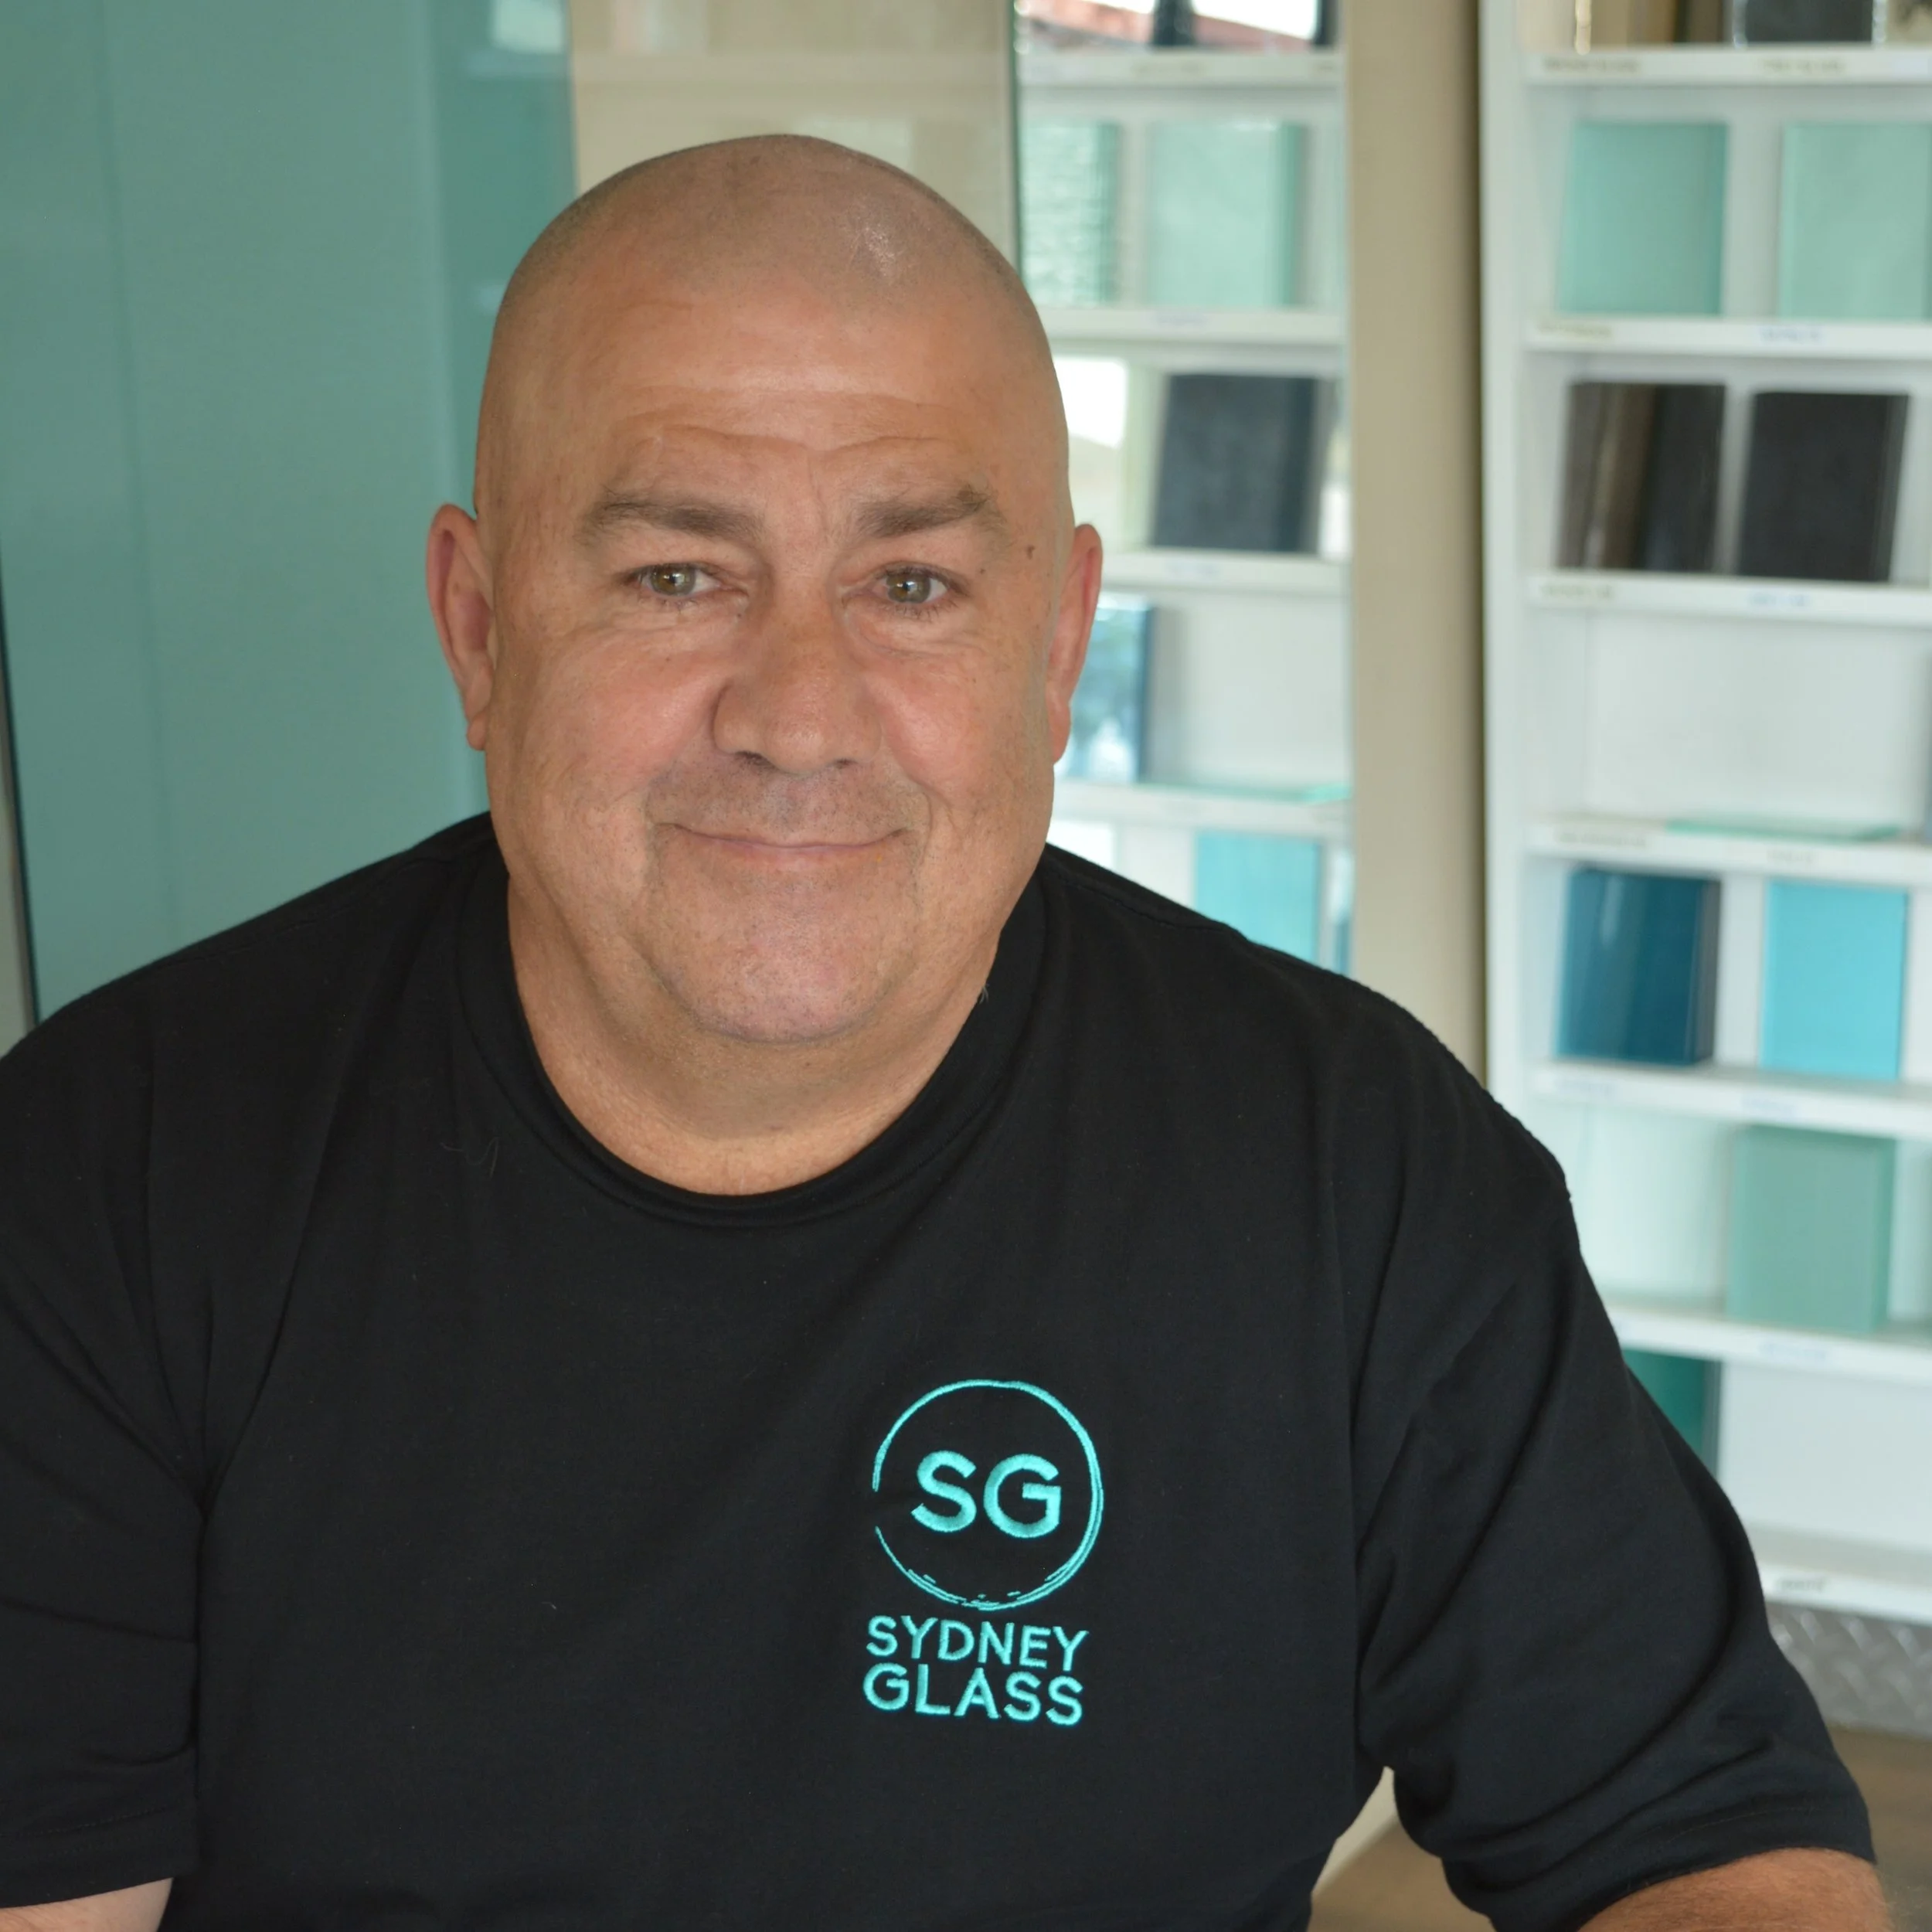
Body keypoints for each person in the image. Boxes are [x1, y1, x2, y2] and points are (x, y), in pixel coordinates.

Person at [0, 137, 1888, 1932]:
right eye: (677, 575)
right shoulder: (117, 1168)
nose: (798, 713)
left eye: (909, 586)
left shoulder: (1350, 1171)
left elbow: (1712, 1849)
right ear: (480, 631)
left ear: (1056, 650)